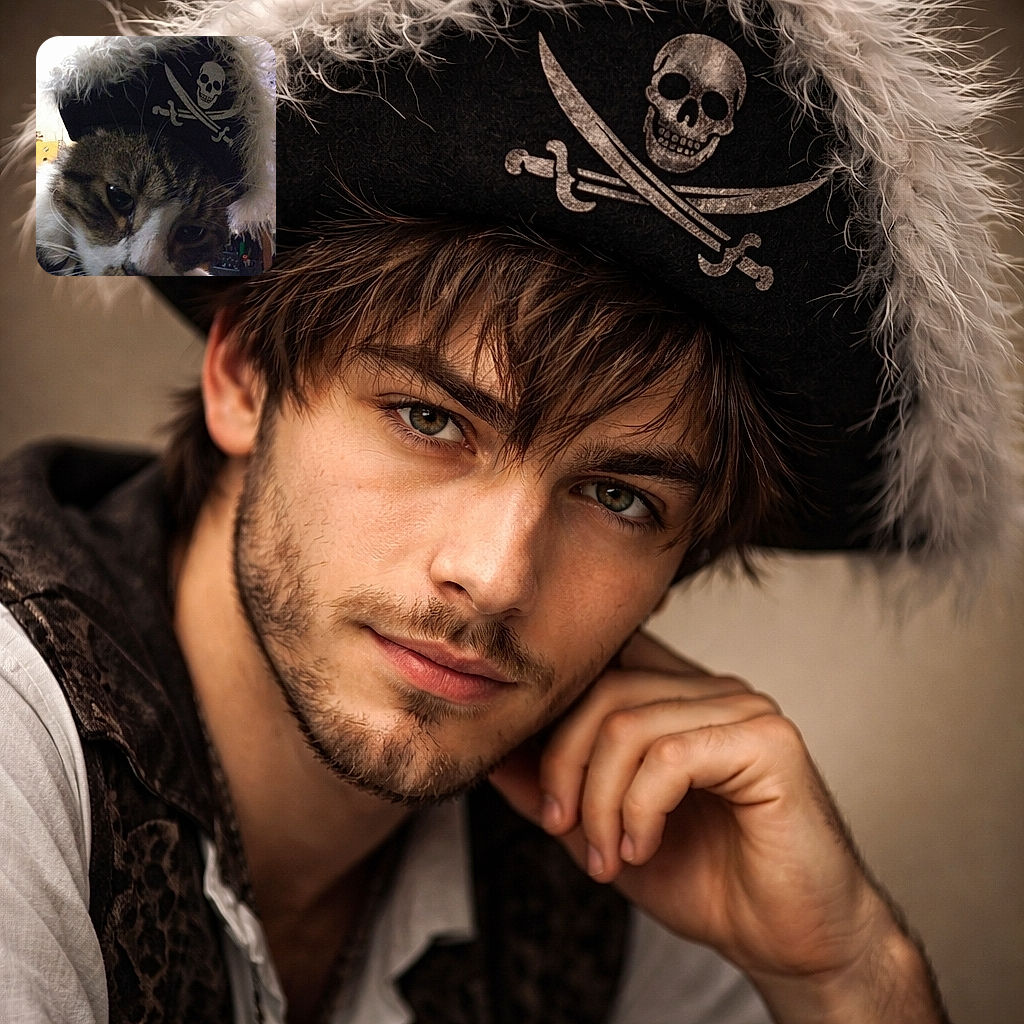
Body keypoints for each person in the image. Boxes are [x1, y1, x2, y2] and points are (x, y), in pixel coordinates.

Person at [1, 1, 1018, 1022]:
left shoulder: (627, 853)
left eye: (619, 497)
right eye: (430, 419)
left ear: (681, 564)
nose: (495, 576)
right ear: (243, 376)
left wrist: (845, 973)